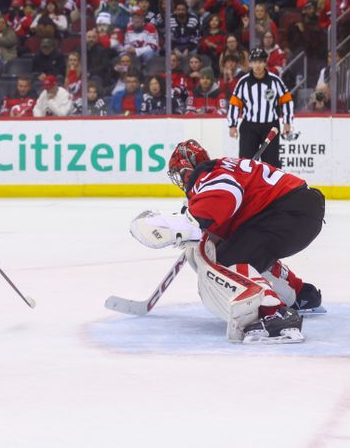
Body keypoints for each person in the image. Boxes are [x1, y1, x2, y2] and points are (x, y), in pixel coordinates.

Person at [130, 139, 325, 343]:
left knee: (221, 261)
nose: (181, 182)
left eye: (179, 175)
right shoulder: (223, 167)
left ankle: (274, 314)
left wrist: (193, 221)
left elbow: (228, 192)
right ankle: (299, 295)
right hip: (300, 211)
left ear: (188, 171)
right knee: (239, 251)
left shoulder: (207, 175)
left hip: (286, 213)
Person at [227, 48, 292, 168]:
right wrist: (232, 125)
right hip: (249, 127)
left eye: (261, 61)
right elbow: (234, 104)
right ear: (250, 63)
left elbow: (286, 100)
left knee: (271, 164)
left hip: (270, 127)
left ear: (265, 63)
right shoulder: (243, 82)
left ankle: (272, 187)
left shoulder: (275, 81)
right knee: (245, 163)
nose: (258, 65)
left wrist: (287, 122)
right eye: (255, 61)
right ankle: (246, 186)